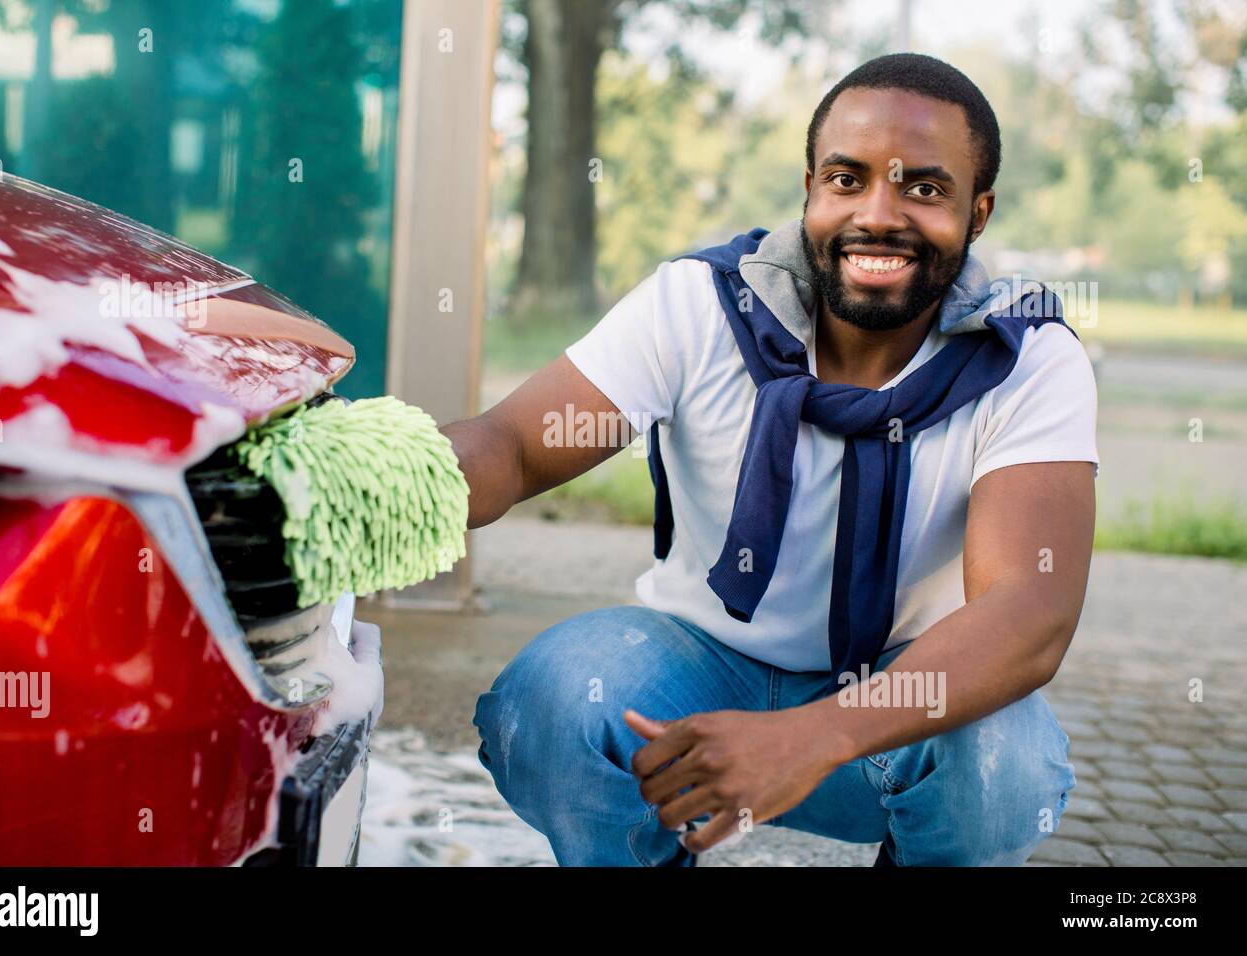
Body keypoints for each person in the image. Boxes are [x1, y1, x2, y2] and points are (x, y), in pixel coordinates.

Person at [441, 52, 1098, 867]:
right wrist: (372, 477)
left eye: (923, 189)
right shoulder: (700, 304)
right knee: (556, 698)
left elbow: (1029, 614)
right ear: (810, 189)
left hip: (894, 711)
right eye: (847, 179)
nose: (878, 215)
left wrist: (811, 737)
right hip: (695, 674)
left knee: (1006, 765)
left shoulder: (1024, 356)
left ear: (979, 211)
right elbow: (511, 447)